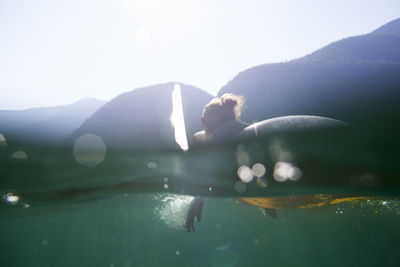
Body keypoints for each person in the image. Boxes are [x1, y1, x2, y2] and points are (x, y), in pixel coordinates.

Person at [185, 93, 248, 232]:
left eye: (208, 118)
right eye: (202, 119)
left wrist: (198, 198)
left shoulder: (223, 135)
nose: (203, 122)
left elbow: (212, 175)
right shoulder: (233, 133)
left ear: (222, 119)